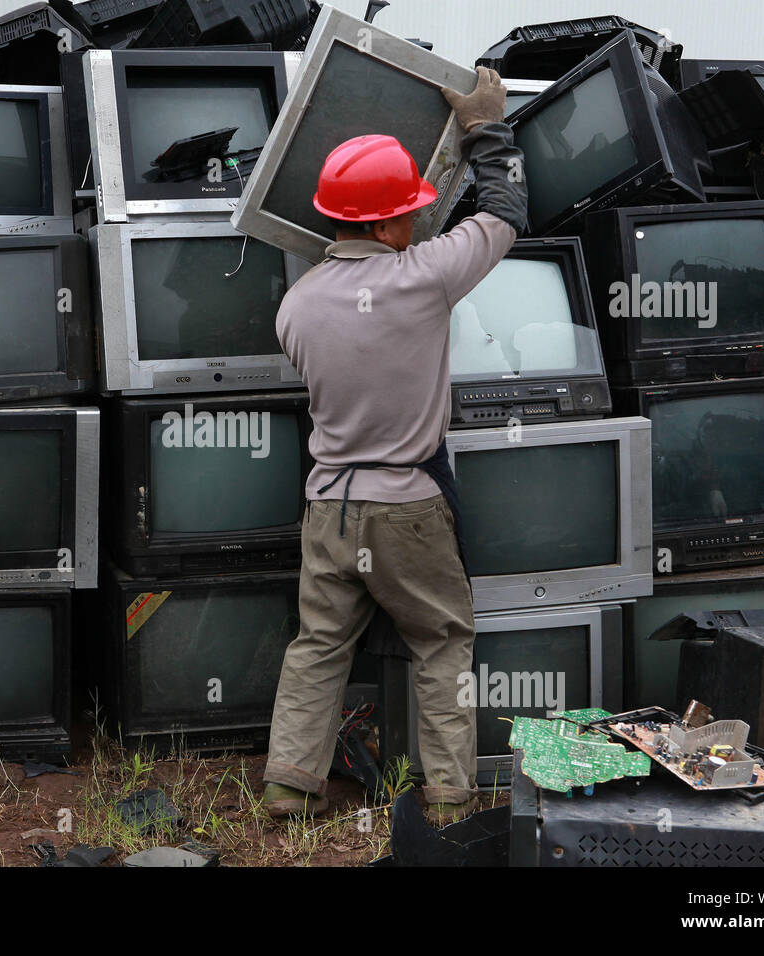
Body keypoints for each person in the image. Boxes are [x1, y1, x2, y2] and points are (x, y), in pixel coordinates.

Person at [261, 67, 528, 826]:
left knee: (318, 645)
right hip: (408, 504)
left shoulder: (295, 305)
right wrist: (484, 126)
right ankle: (448, 798)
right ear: (382, 224)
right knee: (441, 643)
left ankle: (287, 787)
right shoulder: (426, 278)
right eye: (410, 210)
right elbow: (507, 208)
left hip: (329, 509)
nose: (419, 219)